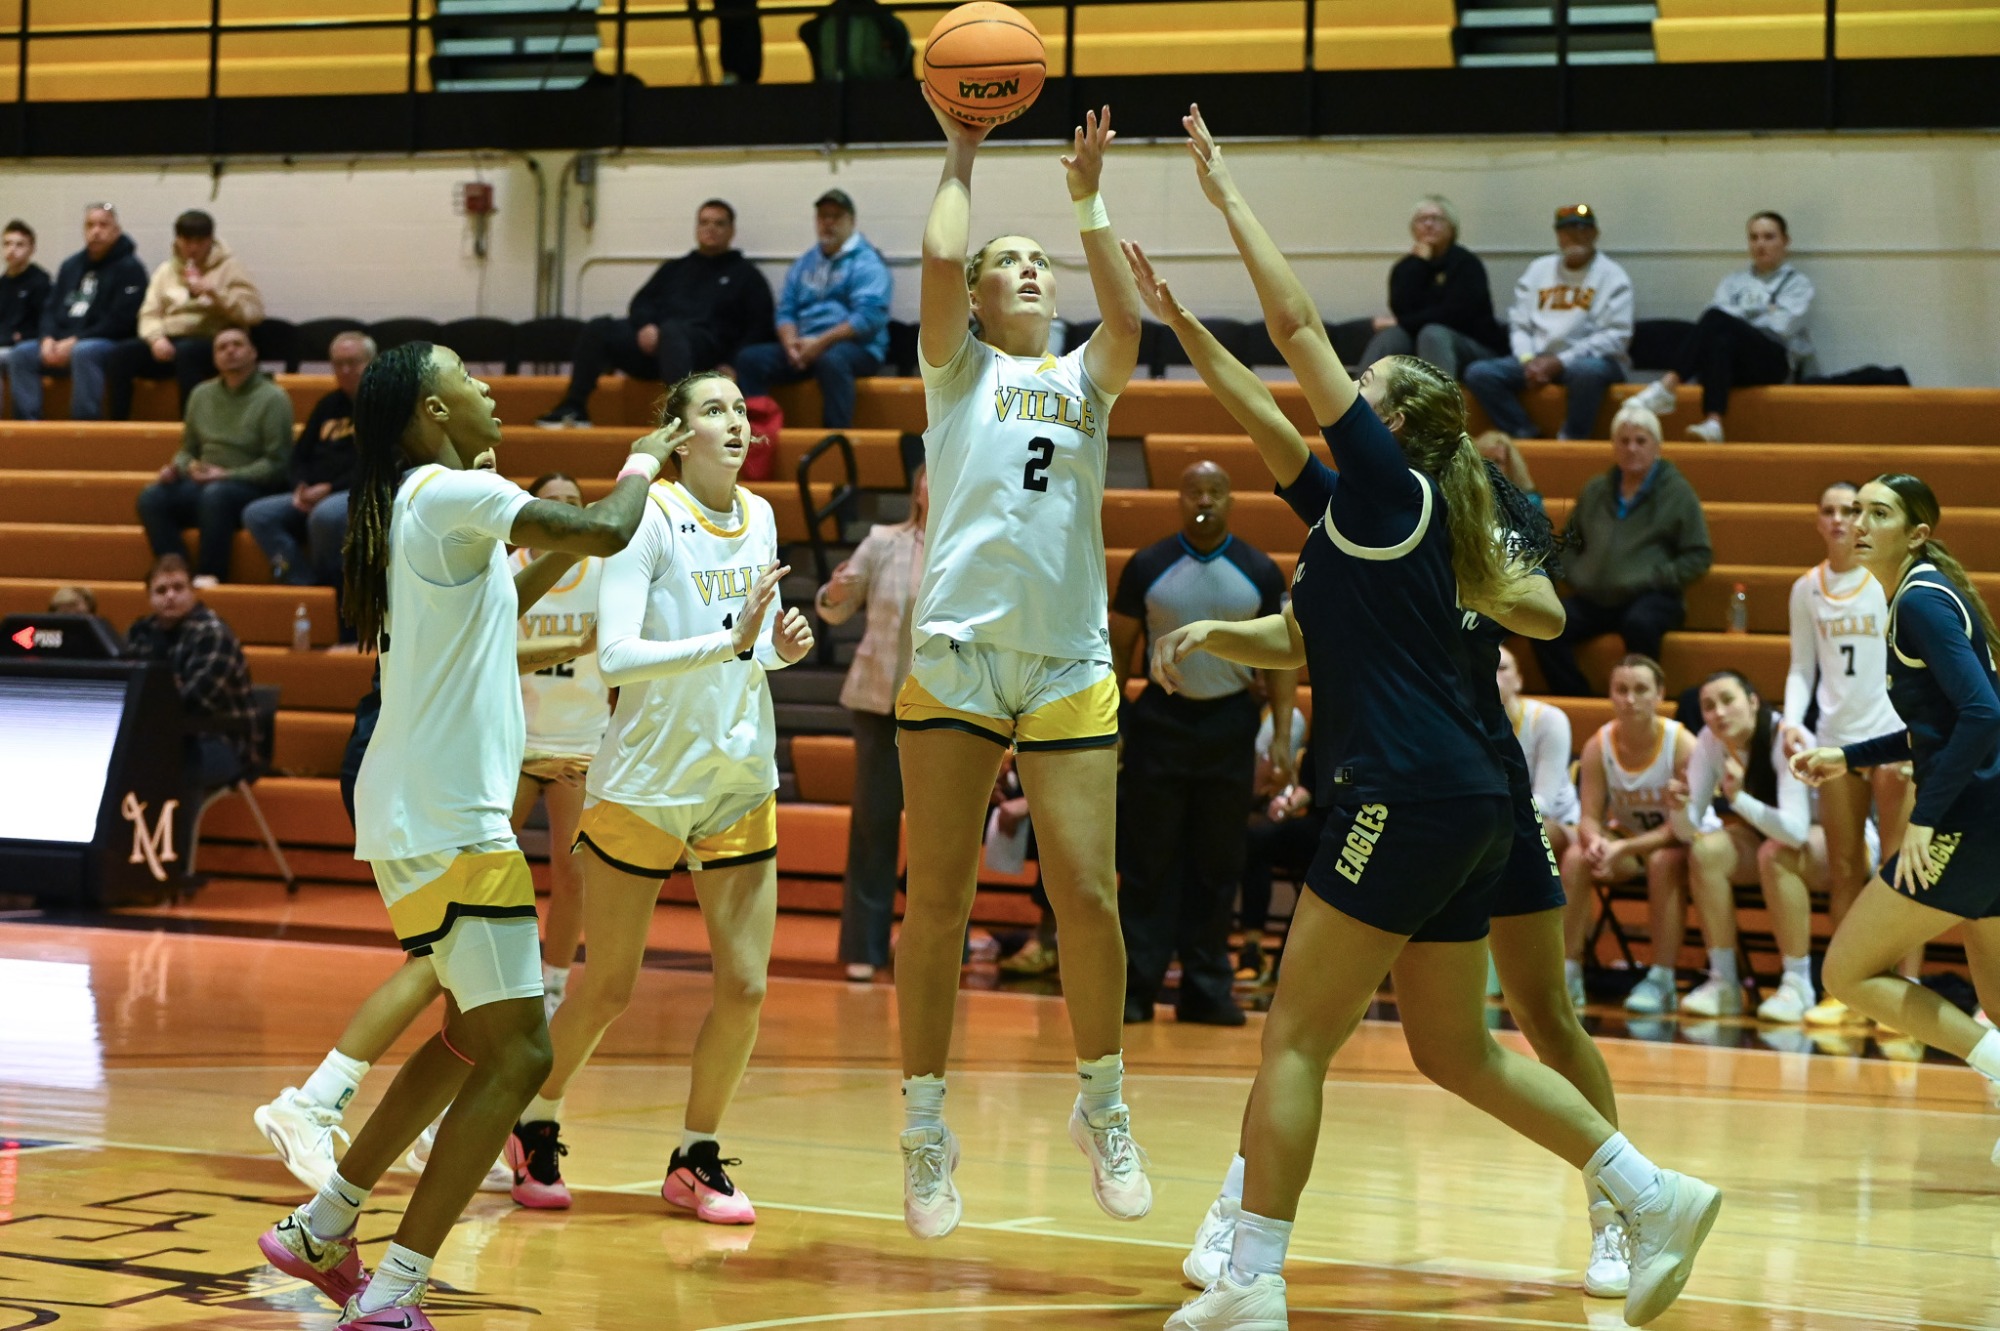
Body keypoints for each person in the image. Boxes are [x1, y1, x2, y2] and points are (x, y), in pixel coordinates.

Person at [1132, 106, 1715, 1331]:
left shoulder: (1393, 489)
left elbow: (1296, 331)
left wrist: (1226, 194)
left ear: (1390, 423)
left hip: (1401, 792)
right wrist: (1179, 325)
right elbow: (1261, 414)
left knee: (1295, 1034)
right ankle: (1646, 1188)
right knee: (1454, 1047)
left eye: (1365, 388)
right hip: (1455, 801)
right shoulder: (1357, 512)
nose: (1346, 384)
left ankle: (1251, 1277)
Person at [253, 340, 676, 1328]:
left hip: (415, 810)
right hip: (453, 816)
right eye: (463, 377)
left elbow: (500, 607)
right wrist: (646, 460)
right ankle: (395, 1287)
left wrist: (569, 544)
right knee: (521, 1054)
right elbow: (612, 527)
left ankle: (323, 1225)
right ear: (432, 412)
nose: (486, 386)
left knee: (463, 1034)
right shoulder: (450, 491)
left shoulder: (422, 504)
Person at [891, 94, 1150, 1243]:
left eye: (1039, 260)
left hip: (1065, 661)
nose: (1029, 269)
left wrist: (1085, 200)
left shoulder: (1087, 375)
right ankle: (922, 1123)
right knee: (939, 902)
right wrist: (961, 153)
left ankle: (1102, 1103)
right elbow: (935, 256)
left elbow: (1128, 317)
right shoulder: (955, 371)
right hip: (958, 654)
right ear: (978, 296)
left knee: (1086, 892)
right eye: (1008, 260)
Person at [503, 372, 813, 1227]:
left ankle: (695, 1154)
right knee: (608, 986)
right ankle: (534, 1119)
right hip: (644, 782)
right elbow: (617, 656)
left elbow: (753, 647)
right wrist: (730, 641)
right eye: (715, 410)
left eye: (741, 410)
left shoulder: (761, 515)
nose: (736, 422)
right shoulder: (647, 518)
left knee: (745, 986)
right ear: (677, 434)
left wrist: (779, 648)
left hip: (737, 776)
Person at [1792, 475, 2000, 1114]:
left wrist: (1925, 819)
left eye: (1879, 513)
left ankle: (1995, 1061)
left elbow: (1984, 713)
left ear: (1916, 535)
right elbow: (1940, 725)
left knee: (1845, 973)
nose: (1859, 523)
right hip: (1988, 812)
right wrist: (1848, 756)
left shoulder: (1919, 603)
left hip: (1968, 815)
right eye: (1857, 510)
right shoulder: (1920, 593)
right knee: (1997, 1000)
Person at [1110, 460, 1293, 1027]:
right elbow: (1115, 651)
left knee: (1219, 863)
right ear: (1179, 498)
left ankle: (1206, 988)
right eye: (1196, 491)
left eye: (1216, 490)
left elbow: (1284, 656)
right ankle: (1135, 987)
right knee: (1147, 862)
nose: (1205, 500)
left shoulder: (1259, 570)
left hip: (1230, 726)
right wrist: (1112, 723)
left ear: (1231, 500)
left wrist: (1282, 736)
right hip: (1159, 724)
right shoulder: (1147, 565)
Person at [1779, 482, 1915, 1027]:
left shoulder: (1885, 581)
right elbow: (1801, 667)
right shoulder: (1805, 588)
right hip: (1835, 741)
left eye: (1850, 510)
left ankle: (1904, 998)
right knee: (1842, 869)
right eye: (1830, 510)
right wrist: (1793, 720)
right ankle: (1847, 993)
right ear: (1818, 521)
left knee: (1900, 869)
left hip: (1891, 735)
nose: (1840, 519)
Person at [816, 465, 929, 982]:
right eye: (927, 477)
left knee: (940, 835)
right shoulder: (883, 541)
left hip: (944, 710)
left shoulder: (970, 546)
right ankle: (865, 945)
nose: (933, 484)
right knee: (873, 826)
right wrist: (834, 593)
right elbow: (835, 609)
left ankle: (932, 944)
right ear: (916, 489)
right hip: (879, 704)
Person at [510, 472, 612, 1017]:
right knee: (490, 868)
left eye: (576, 502)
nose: (569, 510)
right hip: (516, 740)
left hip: (580, 741)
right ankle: (497, 979)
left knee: (573, 875)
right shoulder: (510, 570)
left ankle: (553, 986)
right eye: (556, 502)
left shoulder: (605, 570)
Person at [535, 200, 773, 429]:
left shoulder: (746, 276)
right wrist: (645, 326)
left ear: (731, 231)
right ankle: (574, 407)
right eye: (704, 222)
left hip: (703, 354)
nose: (710, 228)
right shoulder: (675, 268)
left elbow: (759, 326)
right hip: (656, 350)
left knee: (672, 330)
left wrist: (732, 363)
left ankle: (681, 418)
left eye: (719, 223)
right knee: (601, 327)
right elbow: (641, 303)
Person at [1532, 403, 1713, 697]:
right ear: (1614, 446)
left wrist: (1656, 577)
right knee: (1543, 623)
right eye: (1624, 441)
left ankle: (1644, 697)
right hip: (1594, 597)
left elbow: (1699, 555)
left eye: (1641, 441)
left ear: (1657, 447)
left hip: (1651, 597)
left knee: (1639, 623)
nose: (1632, 448)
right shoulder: (1595, 490)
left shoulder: (1677, 493)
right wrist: (1578, 575)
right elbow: (1569, 542)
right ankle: (1579, 700)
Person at [1670, 671, 1819, 1021]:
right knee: (1706, 852)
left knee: (1775, 853)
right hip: (1770, 839)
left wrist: (1737, 798)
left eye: (1728, 700)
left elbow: (1796, 833)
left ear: (1752, 702)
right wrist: (1678, 807)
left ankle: (1798, 984)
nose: (1718, 713)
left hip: (1826, 838)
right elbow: (1686, 831)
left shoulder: (1786, 737)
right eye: (1708, 706)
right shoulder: (1709, 741)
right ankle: (1723, 982)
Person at [1561, 655, 1695, 1016]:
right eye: (1621, 690)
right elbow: (1588, 817)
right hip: (1628, 842)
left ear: (1659, 694)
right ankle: (1568, 973)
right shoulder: (1598, 745)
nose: (1630, 699)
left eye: (1640, 689)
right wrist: (1596, 842)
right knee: (1576, 856)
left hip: (1679, 841)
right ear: (1610, 695)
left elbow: (1683, 826)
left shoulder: (1682, 743)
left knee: (1663, 861)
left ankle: (1662, 979)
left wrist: (1621, 847)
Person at [1626, 212, 1813, 443]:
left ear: (1785, 242)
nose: (1760, 244)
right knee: (1718, 339)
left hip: (1773, 360)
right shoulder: (1733, 281)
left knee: (1718, 321)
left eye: (1768, 237)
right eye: (1754, 238)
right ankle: (1713, 422)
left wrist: (1736, 316)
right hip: (1737, 361)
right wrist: (1763, 310)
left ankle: (1668, 386)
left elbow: (1779, 326)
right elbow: (1716, 318)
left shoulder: (1798, 284)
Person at [135, 327, 294, 587]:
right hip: (205, 482)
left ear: (253, 353)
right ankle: (177, 573)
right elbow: (187, 449)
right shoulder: (201, 394)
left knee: (216, 494)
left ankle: (211, 573)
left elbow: (277, 464)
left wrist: (226, 475)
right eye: (222, 347)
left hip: (250, 486)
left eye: (237, 344)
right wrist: (179, 467)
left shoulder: (273, 397)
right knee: (151, 497)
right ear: (214, 358)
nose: (230, 351)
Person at [1463, 203, 1633, 442]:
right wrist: (1528, 360)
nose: (1575, 235)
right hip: (1536, 359)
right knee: (1479, 373)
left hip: (1589, 362)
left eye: (1582, 229)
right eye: (1567, 230)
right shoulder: (1538, 270)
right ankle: (1525, 434)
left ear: (1595, 233)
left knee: (1586, 371)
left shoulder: (1612, 276)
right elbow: (1520, 325)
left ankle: (1572, 439)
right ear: (1558, 236)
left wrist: (1560, 361)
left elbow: (1616, 336)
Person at [732, 189, 891, 429]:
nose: (828, 222)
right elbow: (786, 310)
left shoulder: (867, 262)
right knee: (749, 359)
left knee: (832, 361)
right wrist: (791, 345)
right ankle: (758, 434)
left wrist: (819, 344)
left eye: (835, 216)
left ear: (851, 221)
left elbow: (868, 317)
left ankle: (835, 438)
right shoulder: (805, 262)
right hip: (804, 347)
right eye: (823, 216)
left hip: (857, 348)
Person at [123, 554, 257, 818]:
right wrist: (165, 689)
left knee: (155, 764)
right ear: (149, 597)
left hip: (221, 741)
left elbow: (193, 702)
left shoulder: (213, 633)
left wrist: (156, 693)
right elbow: (127, 692)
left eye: (178, 588)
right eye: (161, 590)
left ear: (193, 592)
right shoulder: (141, 632)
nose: (170, 596)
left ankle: (172, 844)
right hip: (162, 736)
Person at [110, 208, 266, 418]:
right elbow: (149, 313)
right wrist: (156, 339)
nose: (193, 248)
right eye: (187, 241)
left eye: (200, 242)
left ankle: (190, 423)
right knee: (122, 354)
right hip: (169, 340)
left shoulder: (231, 268)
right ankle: (119, 424)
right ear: (177, 241)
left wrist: (216, 294)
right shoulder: (166, 271)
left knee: (187, 353)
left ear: (210, 240)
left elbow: (253, 313)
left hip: (210, 339)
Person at [244, 331, 372, 586]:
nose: (345, 370)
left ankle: (332, 589)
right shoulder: (328, 404)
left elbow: (383, 462)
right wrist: (300, 486)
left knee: (324, 516)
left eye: (353, 362)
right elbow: (300, 454)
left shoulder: (388, 405)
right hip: (315, 491)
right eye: (338, 364)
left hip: (358, 491)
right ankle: (303, 583)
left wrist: (330, 488)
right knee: (257, 514)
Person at [3, 203, 146, 421]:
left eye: (103, 225)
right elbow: (50, 309)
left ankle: (84, 427)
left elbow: (121, 320)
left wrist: (75, 341)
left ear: (116, 230)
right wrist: (47, 338)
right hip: (62, 341)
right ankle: (29, 427)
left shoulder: (130, 268)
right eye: (90, 225)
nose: (96, 231)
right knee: (22, 354)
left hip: (105, 342)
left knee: (84, 352)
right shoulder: (71, 266)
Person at [1357, 195, 1506, 380]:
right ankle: (1358, 396)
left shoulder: (1466, 264)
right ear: (1413, 229)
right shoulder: (1406, 267)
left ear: (1451, 228)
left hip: (1471, 345)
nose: (1428, 224)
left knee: (1433, 333)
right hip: (1421, 343)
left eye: (1436, 219)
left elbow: (1454, 315)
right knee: (1391, 336)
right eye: (1422, 220)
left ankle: (1437, 398)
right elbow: (1401, 307)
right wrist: (1420, 263)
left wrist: (1403, 322)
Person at [1498, 644, 1579, 861]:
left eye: (1502, 668)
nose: (1493, 675)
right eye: (1486, 667)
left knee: (1520, 833)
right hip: (1497, 818)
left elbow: (1544, 803)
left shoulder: (1548, 720)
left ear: (1519, 680)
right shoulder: (1464, 722)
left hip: (1559, 822)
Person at [1, 219, 51, 352]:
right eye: (7, 244)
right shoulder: (2, 282)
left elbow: (44, 324)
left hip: (24, 345)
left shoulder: (40, 281)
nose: (12, 249)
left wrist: (18, 336)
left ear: (31, 249)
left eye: (19, 245)